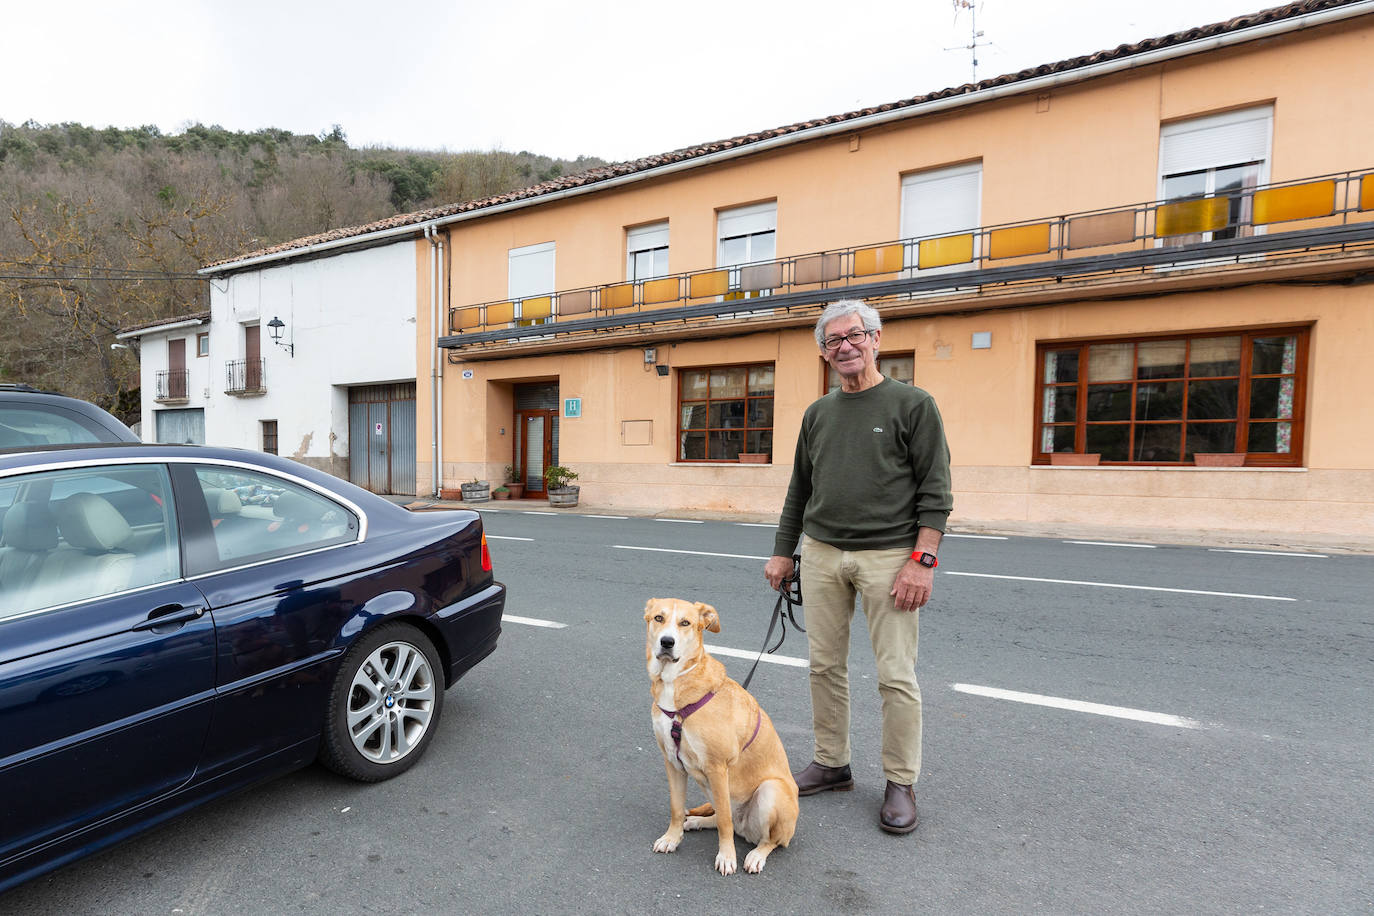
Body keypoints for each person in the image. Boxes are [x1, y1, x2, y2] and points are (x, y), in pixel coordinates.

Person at [764, 298, 952, 835]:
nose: (844, 347)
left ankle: (900, 780)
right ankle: (832, 763)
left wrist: (923, 560)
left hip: (891, 556)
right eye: (832, 341)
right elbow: (800, 487)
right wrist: (783, 550)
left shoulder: (912, 405)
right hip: (822, 553)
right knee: (824, 666)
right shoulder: (818, 414)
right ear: (824, 352)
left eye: (854, 336)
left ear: (875, 339)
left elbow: (935, 491)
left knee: (895, 674)